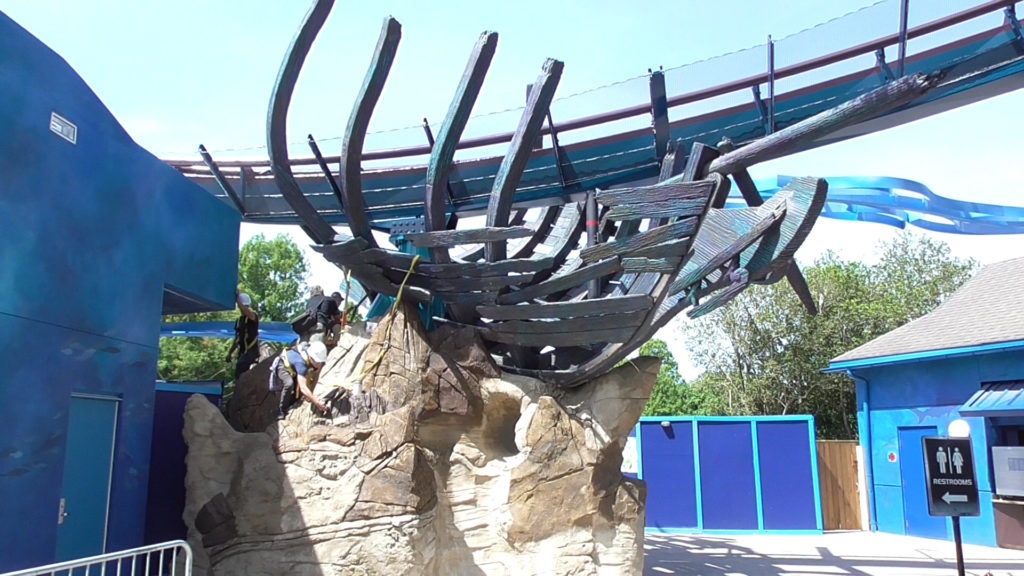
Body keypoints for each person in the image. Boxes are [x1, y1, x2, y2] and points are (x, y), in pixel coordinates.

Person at [271, 341, 329, 419]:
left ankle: (291, 403)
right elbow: (303, 388)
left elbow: (317, 375)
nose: (319, 365)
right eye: (317, 362)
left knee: (297, 395)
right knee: (289, 384)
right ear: (311, 357)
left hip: (295, 369)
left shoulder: (316, 360)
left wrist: (312, 393)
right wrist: (317, 403)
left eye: (320, 362)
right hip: (283, 365)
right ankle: (281, 410)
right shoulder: (301, 363)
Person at [225, 292, 259, 379]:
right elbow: (237, 339)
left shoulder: (253, 316)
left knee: (242, 370)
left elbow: (245, 311)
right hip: (242, 353)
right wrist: (230, 353)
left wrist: (238, 299)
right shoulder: (239, 320)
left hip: (251, 352)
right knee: (238, 374)